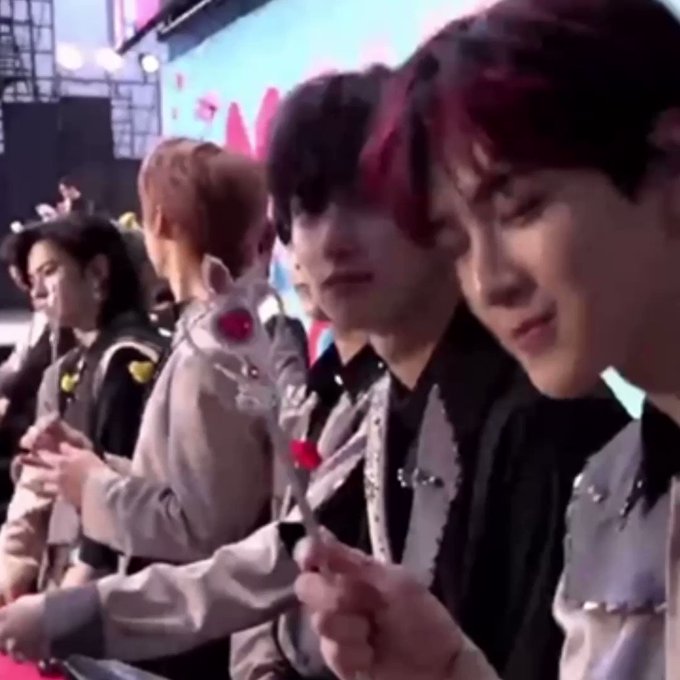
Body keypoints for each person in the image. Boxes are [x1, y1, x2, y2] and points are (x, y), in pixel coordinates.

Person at [0, 67, 626, 678]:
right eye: (305, 210)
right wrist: (73, 611)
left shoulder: (544, 422)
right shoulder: (381, 400)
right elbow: (282, 551)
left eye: (367, 199)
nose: (329, 241)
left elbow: (220, 532)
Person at [294, 1, 680, 678]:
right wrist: (449, 668)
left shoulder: (556, 443)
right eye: (456, 242)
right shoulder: (612, 489)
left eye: (519, 207)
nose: (488, 282)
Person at [0, 139, 275, 680]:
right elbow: (186, 486)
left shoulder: (210, 350)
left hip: (186, 640)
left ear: (160, 221)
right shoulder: (204, 335)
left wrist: (92, 484)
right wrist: (93, 467)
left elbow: (204, 528)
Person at [0, 216, 166, 601]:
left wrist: (65, 603)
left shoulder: (130, 361)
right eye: (32, 279)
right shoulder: (66, 369)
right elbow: (38, 483)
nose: (37, 291)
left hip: (111, 590)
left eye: (49, 272)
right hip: (63, 573)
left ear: (97, 273)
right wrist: (14, 566)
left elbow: (117, 499)